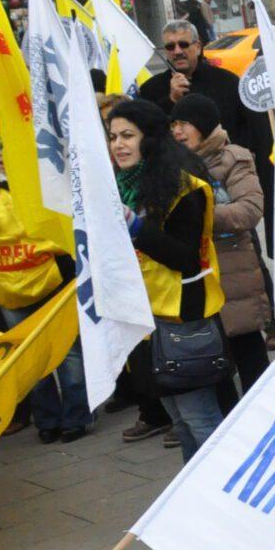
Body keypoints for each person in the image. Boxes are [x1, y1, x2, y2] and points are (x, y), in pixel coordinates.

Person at [108, 98, 227, 460]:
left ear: (152, 138)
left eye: (128, 135)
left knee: (199, 419)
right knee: (178, 417)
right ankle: (194, 493)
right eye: (113, 137)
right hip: (144, 317)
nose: (118, 145)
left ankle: (218, 489)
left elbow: (186, 258)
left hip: (183, 315)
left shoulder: (185, 187)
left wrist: (134, 226)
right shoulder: (121, 186)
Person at [0, 138, 89, 441]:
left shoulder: (47, 185)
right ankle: (47, 420)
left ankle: (76, 416)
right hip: (10, 290)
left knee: (68, 354)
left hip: (51, 281)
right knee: (30, 359)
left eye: (8, 145)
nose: (2, 154)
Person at [169, 97, 269, 398]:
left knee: (248, 353)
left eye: (184, 123)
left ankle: (262, 414)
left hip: (234, 271)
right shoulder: (172, 165)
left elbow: (249, 210)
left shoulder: (233, 158)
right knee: (214, 360)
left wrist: (199, 214)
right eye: (173, 124)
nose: (178, 131)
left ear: (202, 125)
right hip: (199, 274)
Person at [140, 19, 272, 201]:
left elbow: (253, 131)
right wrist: (171, 100)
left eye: (183, 44)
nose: (177, 51)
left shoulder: (228, 82)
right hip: (174, 184)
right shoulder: (150, 89)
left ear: (198, 47)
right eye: (170, 47)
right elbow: (147, 134)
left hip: (228, 181)